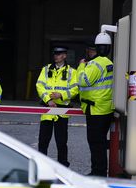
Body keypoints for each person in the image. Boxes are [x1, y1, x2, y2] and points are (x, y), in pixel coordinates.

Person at [78, 32, 114, 177]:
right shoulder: (110, 63)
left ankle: (97, 173)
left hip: (95, 109)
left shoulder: (95, 64)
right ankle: (99, 171)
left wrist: (81, 67)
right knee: (99, 143)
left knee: (95, 143)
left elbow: (83, 80)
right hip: (105, 108)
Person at [35, 46, 78, 166]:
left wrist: (61, 95)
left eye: (59, 54)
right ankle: (41, 165)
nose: (56, 56)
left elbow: (75, 89)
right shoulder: (46, 69)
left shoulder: (72, 72)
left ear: (64, 56)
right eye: (55, 54)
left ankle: (62, 165)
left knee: (61, 141)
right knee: (43, 140)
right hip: (47, 109)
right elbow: (39, 85)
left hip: (62, 111)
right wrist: (48, 100)